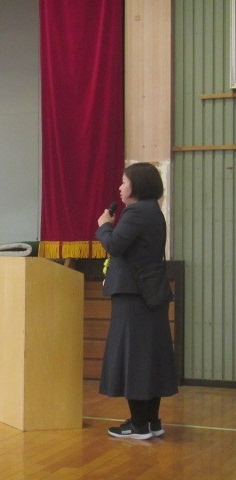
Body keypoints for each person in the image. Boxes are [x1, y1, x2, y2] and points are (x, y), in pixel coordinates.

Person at [95, 162, 178, 440]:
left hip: (133, 295)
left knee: (133, 357)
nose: (120, 187)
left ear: (137, 185)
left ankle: (138, 424)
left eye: (124, 182)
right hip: (150, 293)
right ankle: (151, 421)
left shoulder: (136, 212)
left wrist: (104, 227)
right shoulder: (153, 211)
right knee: (149, 357)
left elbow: (114, 245)